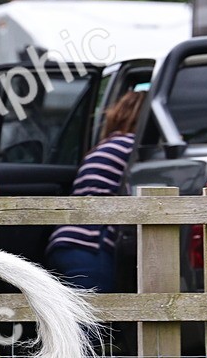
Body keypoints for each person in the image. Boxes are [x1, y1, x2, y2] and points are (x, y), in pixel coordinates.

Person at [45, 90, 146, 293]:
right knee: (92, 320)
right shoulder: (132, 147)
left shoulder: (104, 147)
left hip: (64, 240)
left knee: (70, 318)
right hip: (91, 245)